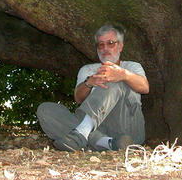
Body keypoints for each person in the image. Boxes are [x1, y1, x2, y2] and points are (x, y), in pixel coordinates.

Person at [36, 23, 149, 151]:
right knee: (45, 110)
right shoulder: (87, 70)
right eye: (101, 45)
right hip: (100, 129)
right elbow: (78, 99)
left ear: (121, 46)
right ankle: (106, 143)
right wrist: (89, 83)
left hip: (128, 128)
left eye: (110, 43)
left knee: (112, 77)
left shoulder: (132, 67)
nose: (105, 48)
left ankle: (82, 134)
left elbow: (145, 87)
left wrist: (122, 74)